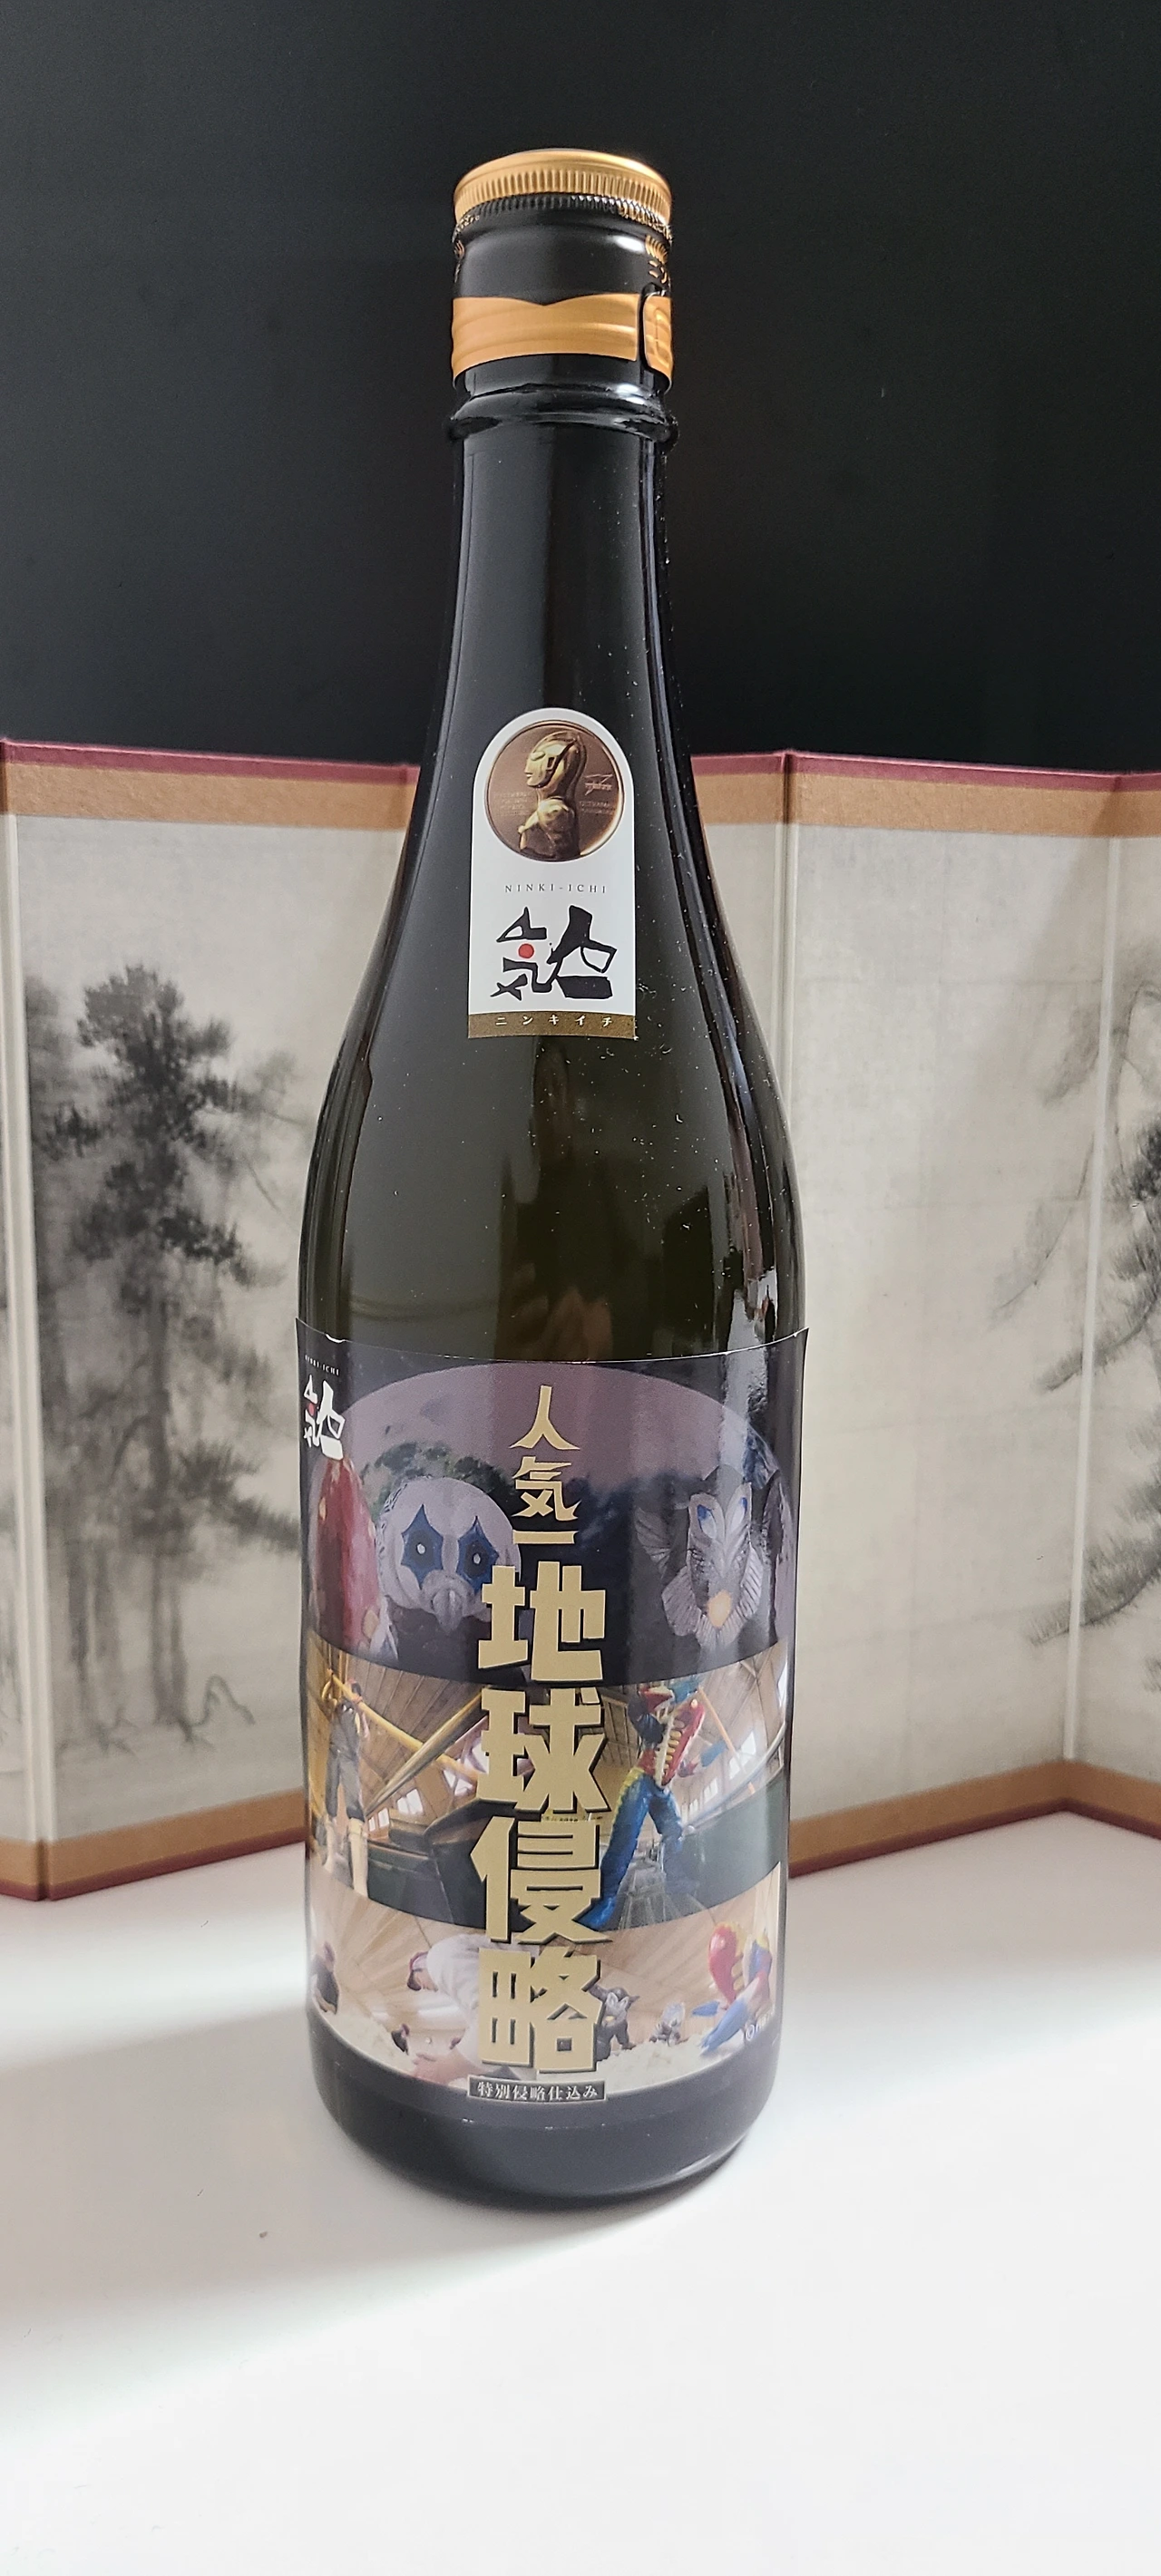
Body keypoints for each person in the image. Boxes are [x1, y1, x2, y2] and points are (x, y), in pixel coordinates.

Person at [406, 1933, 489, 2085]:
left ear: (422, 1965)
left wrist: (444, 2069)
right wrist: (454, 2058)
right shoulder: (449, 1967)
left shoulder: (438, 1959)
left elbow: (497, 2019)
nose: (423, 1987)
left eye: (418, 1980)